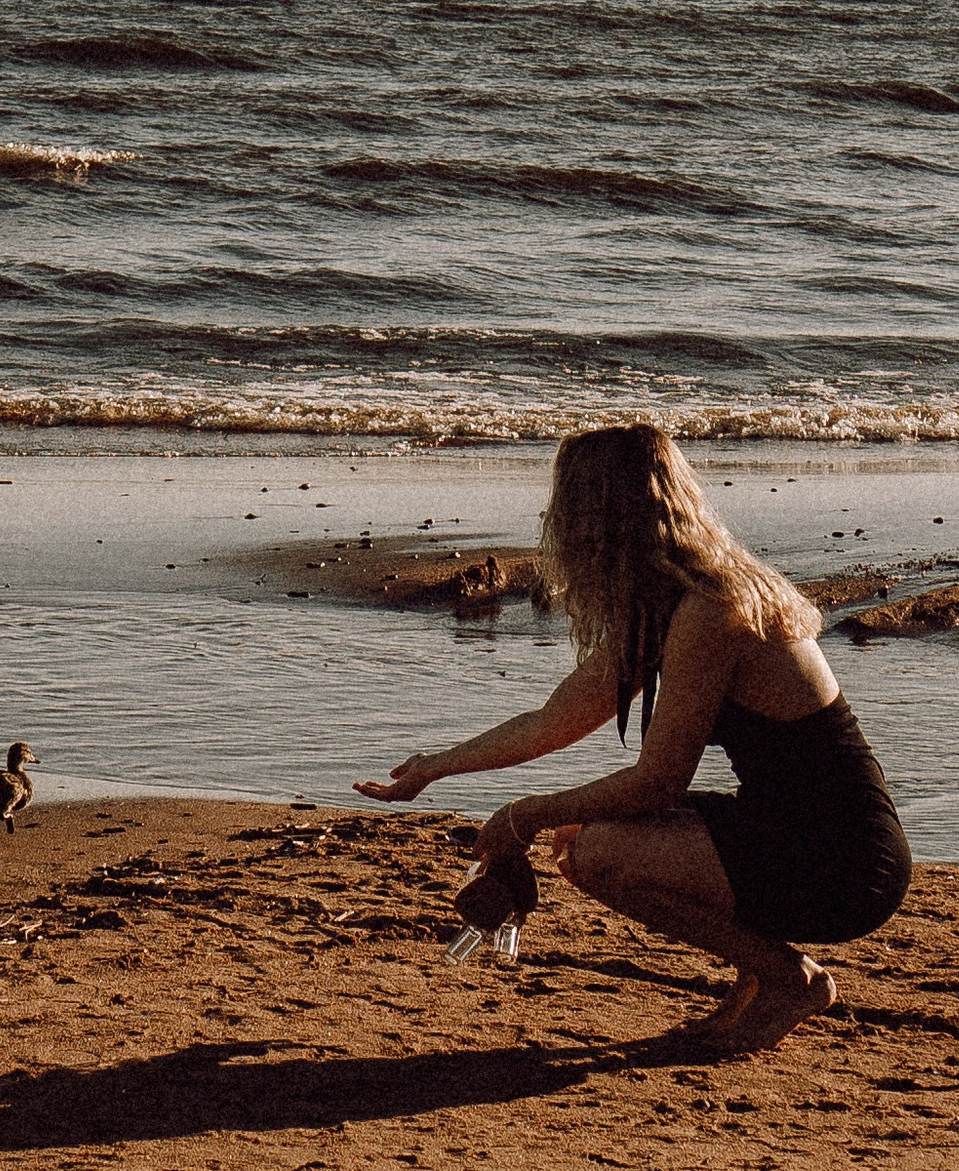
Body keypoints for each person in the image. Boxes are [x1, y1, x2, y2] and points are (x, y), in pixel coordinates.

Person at [356, 424, 911, 1056]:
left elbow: (658, 781)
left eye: (566, 507)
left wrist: (523, 814)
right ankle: (762, 976)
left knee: (600, 853)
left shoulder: (713, 610)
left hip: (844, 861)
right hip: (785, 827)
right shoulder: (668, 604)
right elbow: (554, 719)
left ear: (598, 514)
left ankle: (789, 978)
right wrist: (435, 767)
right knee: (582, 839)